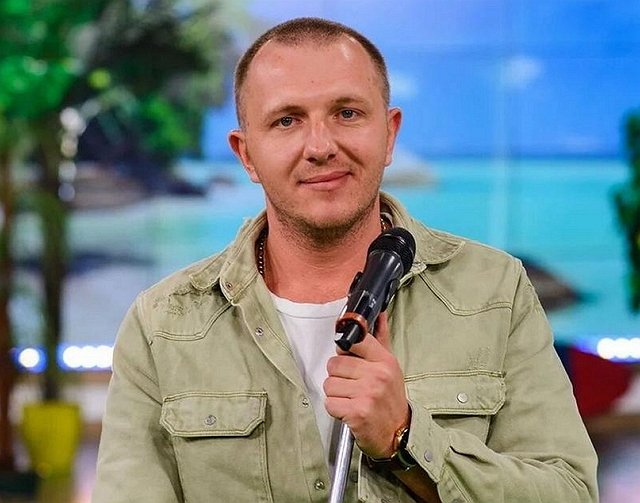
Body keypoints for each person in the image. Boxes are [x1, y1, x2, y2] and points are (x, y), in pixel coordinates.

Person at [93, 17, 598, 503]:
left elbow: (569, 492)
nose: (320, 146)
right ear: (246, 155)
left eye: (347, 114)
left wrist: (405, 437)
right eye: (287, 120)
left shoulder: (495, 291)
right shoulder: (163, 324)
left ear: (390, 133)